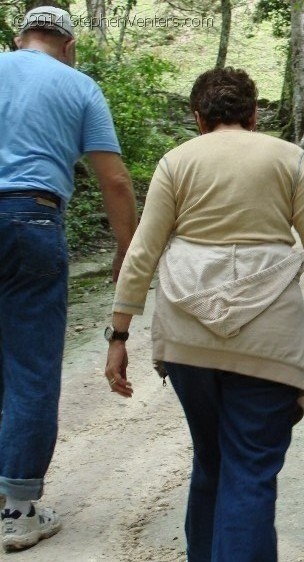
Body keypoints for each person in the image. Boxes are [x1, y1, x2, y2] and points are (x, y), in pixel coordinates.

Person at [105, 67, 304, 562]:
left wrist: (119, 334)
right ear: (254, 113)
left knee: (212, 461)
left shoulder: (176, 162)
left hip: (187, 341)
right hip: (267, 345)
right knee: (250, 471)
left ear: (198, 118)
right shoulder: (288, 159)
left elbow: (141, 253)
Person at [0, 6, 137, 553]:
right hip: (32, 218)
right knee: (31, 363)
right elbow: (115, 179)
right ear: (70, 44)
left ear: (18, 38)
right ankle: (17, 511)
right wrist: (127, 248)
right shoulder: (79, 87)